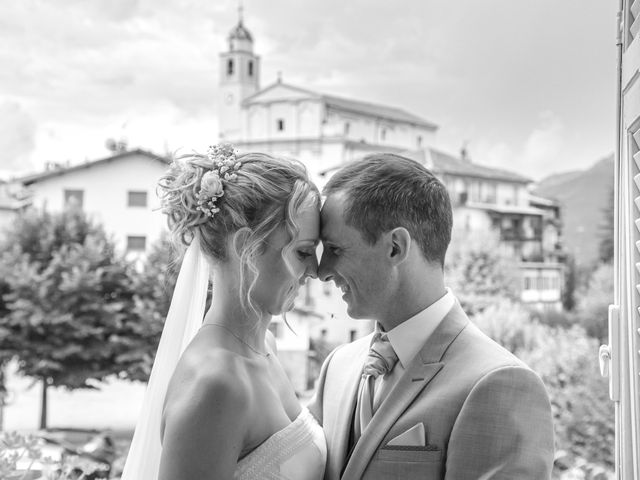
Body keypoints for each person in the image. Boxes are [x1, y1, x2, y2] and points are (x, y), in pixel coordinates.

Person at [308, 153, 555, 479]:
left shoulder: (499, 384)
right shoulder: (337, 366)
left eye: (336, 250)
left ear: (395, 246)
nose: (321, 272)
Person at [121, 144, 326, 480]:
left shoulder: (267, 348)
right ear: (246, 248)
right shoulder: (215, 383)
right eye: (303, 252)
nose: (316, 270)